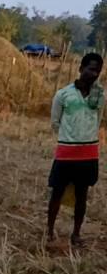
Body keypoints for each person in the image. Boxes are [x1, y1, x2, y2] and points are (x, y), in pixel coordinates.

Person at [47, 52, 104, 247]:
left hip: (88, 155)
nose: (94, 74)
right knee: (57, 193)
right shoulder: (63, 94)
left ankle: (76, 234)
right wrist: (70, 138)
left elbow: (97, 121)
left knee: (82, 196)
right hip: (66, 154)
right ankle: (49, 231)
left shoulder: (100, 96)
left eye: (97, 71)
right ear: (81, 69)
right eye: (91, 69)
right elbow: (55, 122)